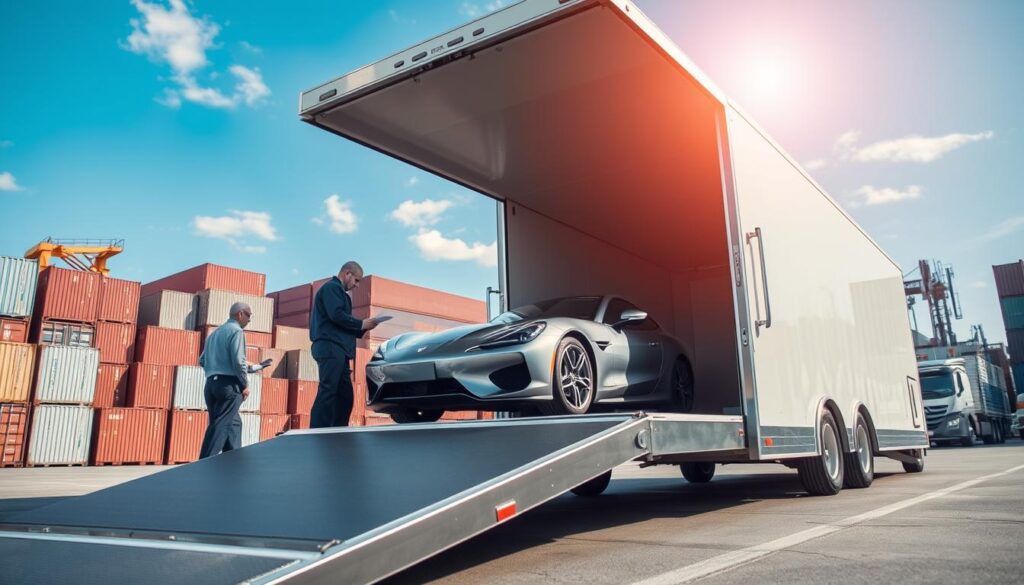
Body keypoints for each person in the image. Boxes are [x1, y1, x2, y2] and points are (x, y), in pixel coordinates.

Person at [310, 261, 380, 428]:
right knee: (329, 390)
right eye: (357, 280)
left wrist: (363, 327)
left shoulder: (338, 292)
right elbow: (336, 315)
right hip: (330, 346)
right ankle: (318, 431)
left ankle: (337, 428)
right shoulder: (332, 288)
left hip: (338, 349)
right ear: (347, 273)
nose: (357, 285)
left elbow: (340, 323)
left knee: (345, 395)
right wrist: (361, 324)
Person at [198, 301, 272, 458]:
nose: (250, 319)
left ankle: (233, 463)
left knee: (234, 424)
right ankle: (202, 464)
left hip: (211, 386)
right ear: (240, 314)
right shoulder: (236, 331)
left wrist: (217, 370)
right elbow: (238, 362)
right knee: (220, 425)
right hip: (229, 387)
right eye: (249, 315)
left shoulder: (214, 334)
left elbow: (202, 360)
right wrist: (245, 384)